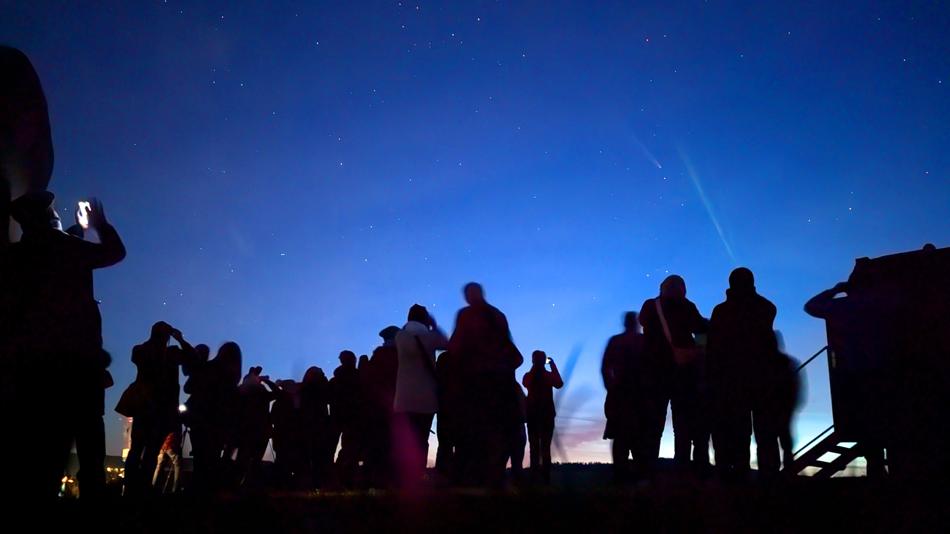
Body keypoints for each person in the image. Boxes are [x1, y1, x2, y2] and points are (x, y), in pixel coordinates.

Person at [4, 192, 124, 499]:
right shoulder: (67, 249)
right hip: (78, 363)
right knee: (88, 439)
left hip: (31, 365)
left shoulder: (16, 256)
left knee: (33, 443)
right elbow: (114, 252)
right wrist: (100, 225)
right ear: (49, 217)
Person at [449, 283, 523, 487]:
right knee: (496, 430)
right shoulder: (497, 315)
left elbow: (456, 346)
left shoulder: (467, 315)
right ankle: (494, 476)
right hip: (498, 380)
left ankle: (478, 477)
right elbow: (510, 349)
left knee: (476, 429)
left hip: (478, 381)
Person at [706, 268, 777, 477]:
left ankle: (739, 476)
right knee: (765, 432)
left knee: (739, 430)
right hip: (762, 379)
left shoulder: (721, 312)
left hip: (731, 381)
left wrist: (712, 378)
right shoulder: (766, 307)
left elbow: (713, 349)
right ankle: (769, 480)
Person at [638, 275, 709, 473]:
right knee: (683, 423)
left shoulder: (651, 306)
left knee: (653, 424)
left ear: (662, 288)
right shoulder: (688, 307)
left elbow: (642, 321)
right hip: (683, 371)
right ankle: (682, 469)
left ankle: (649, 472)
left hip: (655, 372)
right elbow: (701, 328)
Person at [123, 322, 194, 495]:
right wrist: (181, 339)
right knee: (151, 451)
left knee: (137, 449)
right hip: (163, 410)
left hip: (144, 406)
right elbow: (193, 359)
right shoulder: (171, 354)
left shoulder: (139, 350)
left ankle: (130, 490)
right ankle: (143, 489)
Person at [393, 304, 449, 487]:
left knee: (407, 439)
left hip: (403, 396)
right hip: (426, 397)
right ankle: (417, 475)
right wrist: (434, 325)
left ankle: (404, 476)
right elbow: (446, 343)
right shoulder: (430, 337)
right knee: (422, 438)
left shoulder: (400, 337)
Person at [184, 341, 242, 493]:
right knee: (212, 459)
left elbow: (188, 387)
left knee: (200, 459)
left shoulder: (209, 368)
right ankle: (208, 498)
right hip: (219, 426)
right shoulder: (232, 380)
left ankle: (196, 499)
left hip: (199, 420)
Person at [601, 312, 648, 481]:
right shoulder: (643, 341)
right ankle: (638, 479)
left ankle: (622, 478)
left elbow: (605, 368)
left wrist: (611, 387)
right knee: (637, 439)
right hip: (636, 396)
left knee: (622, 439)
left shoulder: (616, 341)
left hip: (622, 395)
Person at [362, 326, 400, 488]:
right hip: (394, 406)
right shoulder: (399, 356)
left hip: (376, 407)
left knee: (377, 444)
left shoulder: (376, 357)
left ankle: (375, 479)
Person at [522, 351, 563, 483]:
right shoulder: (546, 376)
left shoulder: (529, 376)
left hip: (535, 416)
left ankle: (537, 478)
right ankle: (545, 479)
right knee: (544, 448)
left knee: (535, 448)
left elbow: (526, 382)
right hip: (545, 416)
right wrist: (552, 365)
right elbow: (559, 383)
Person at [234, 366, 277, 488]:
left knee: (244, 459)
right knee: (253, 461)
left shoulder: (242, 393)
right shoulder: (262, 395)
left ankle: (240, 486)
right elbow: (277, 393)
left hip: (247, 431)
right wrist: (265, 381)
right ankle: (248, 486)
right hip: (259, 432)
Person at [329, 350, 362, 487]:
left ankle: (333, 477)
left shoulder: (334, 380)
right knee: (351, 448)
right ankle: (347, 477)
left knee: (333, 448)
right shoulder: (358, 377)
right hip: (353, 417)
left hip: (337, 416)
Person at [300, 366, 332, 488]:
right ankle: (317, 481)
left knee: (311, 453)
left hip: (309, 423)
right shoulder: (323, 387)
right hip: (319, 422)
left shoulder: (305, 388)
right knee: (319, 453)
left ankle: (310, 481)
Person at [435, 349, 464, 482]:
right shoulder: (466, 359)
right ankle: (459, 475)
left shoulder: (443, 358)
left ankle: (441, 476)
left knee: (444, 443)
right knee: (461, 442)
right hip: (461, 405)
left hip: (444, 405)